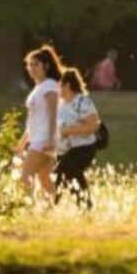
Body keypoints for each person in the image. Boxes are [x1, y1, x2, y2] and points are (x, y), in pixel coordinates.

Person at [15, 44, 62, 197]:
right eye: (30, 65)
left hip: (43, 139)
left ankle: (25, 208)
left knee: (25, 177)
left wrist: (50, 139)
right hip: (36, 137)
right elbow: (32, 119)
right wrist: (23, 141)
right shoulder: (39, 87)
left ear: (46, 66)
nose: (32, 68)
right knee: (44, 178)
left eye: (36, 64)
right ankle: (57, 207)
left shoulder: (49, 85)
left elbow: (54, 113)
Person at [54, 68, 100, 205]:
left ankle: (83, 205)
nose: (57, 88)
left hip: (84, 148)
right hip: (66, 149)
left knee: (66, 170)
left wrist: (71, 131)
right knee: (65, 174)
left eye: (59, 85)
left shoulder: (82, 102)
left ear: (67, 85)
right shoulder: (61, 105)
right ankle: (83, 205)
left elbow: (94, 126)